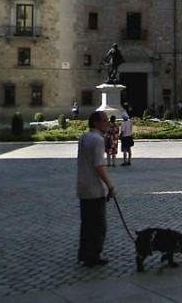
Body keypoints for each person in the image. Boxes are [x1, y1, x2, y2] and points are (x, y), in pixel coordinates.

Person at [77, 110, 116, 267]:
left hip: (82, 187)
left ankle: (83, 253)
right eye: (105, 121)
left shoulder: (84, 137)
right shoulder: (98, 140)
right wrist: (110, 186)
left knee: (86, 224)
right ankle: (94, 255)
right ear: (95, 123)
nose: (108, 123)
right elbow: (99, 166)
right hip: (94, 190)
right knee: (99, 224)